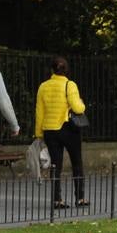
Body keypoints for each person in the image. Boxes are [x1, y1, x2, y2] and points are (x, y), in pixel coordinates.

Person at [34, 57, 87, 209]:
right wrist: (82, 104)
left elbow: (39, 112)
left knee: (55, 166)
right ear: (66, 70)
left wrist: (39, 133)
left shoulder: (43, 86)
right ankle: (80, 198)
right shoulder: (70, 85)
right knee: (77, 162)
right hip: (69, 129)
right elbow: (78, 108)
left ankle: (57, 200)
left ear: (52, 70)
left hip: (50, 130)